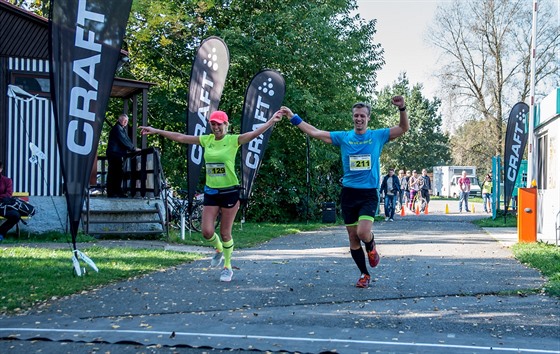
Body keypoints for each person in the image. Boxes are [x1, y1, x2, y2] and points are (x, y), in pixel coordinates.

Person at [280, 96, 409, 288]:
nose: (359, 119)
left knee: (363, 232)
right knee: (352, 237)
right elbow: (315, 132)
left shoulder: (378, 136)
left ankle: (371, 246)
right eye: (356, 115)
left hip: (368, 193)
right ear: (353, 118)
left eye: (362, 116)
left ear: (368, 118)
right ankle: (364, 274)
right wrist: (292, 117)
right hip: (349, 193)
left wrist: (402, 108)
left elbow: (403, 128)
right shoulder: (344, 137)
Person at [140, 110, 282, 282]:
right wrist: (156, 130)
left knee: (225, 233)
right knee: (207, 232)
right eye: (213, 124)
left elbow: (254, 134)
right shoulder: (206, 140)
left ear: (226, 124)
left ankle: (227, 267)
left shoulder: (233, 140)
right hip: (211, 192)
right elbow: (180, 137)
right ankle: (218, 249)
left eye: (219, 124)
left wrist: (271, 121)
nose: (216, 127)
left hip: (230, 191)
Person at [106, 114, 140, 198]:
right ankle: (113, 192)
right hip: (114, 153)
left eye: (126, 121)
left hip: (116, 153)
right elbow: (123, 140)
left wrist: (132, 148)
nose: (125, 122)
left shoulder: (121, 129)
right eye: (124, 120)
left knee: (117, 173)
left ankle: (115, 191)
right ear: (119, 120)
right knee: (115, 173)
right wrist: (133, 149)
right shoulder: (118, 128)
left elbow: (126, 139)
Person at [0, 162, 21, 241]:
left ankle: (1, 233)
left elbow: (8, 194)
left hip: (4, 205)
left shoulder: (7, 180)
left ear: (1, 169)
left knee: (15, 215)